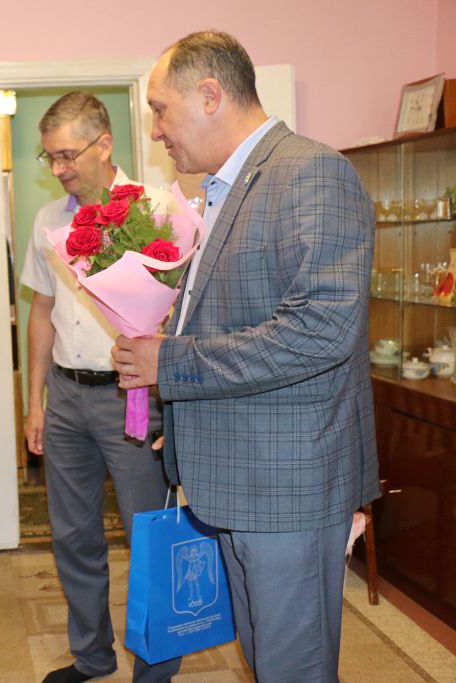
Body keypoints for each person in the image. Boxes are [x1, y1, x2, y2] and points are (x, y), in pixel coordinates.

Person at [111, 31, 380, 681]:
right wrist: (182, 413)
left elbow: (320, 330)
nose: (156, 130)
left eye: (160, 109)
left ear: (210, 96)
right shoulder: (223, 189)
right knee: (267, 661)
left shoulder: (311, 172)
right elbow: (237, 321)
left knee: (293, 666)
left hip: (286, 489)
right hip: (238, 477)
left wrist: (170, 364)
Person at [20, 91, 179, 683]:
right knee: (72, 536)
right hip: (65, 396)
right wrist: (33, 402)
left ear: (104, 144)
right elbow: (41, 312)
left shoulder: (156, 210)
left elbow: (181, 312)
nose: (58, 168)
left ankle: (155, 669)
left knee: (148, 537)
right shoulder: (48, 220)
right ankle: (91, 656)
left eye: (67, 155)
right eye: (50, 157)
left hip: (131, 396)